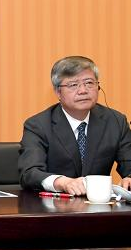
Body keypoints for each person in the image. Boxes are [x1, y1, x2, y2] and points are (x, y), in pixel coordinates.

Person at [19, 56, 131, 194]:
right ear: (58, 92)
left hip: (99, 205)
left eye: (89, 83)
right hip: (53, 205)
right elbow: (30, 172)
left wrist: (129, 178)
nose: (83, 90)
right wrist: (61, 182)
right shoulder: (38, 125)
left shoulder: (115, 121)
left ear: (98, 86)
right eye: (73, 85)